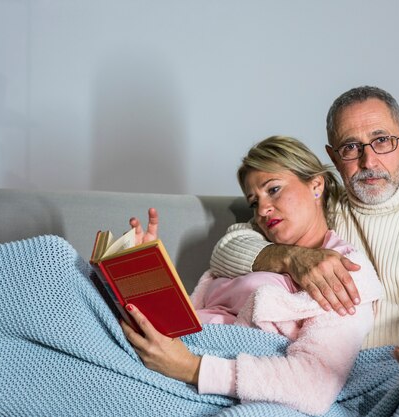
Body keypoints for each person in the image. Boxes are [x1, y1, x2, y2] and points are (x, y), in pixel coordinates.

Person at [208, 86, 399, 392]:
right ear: (333, 157)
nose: (369, 161)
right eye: (351, 147)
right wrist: (291, 258)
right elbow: (229, 247)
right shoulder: (322, 206)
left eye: (382, 141)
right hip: (330, 377)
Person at [122, 136, 383, 415]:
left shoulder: (345, 270)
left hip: (196, 373)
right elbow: (194, 308)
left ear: (316, 185)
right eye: (253, 201)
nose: (262, 209)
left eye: (274, 189)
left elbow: (313, 383)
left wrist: (191, 367)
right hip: (168, 346)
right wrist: (143, 277)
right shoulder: (252, 243)